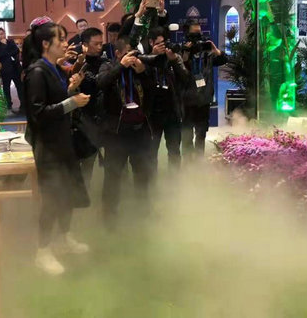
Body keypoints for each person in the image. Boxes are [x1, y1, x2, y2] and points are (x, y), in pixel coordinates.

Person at [24, 18, 91, 275]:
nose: (66, 43)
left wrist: (70, 90)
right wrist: (72, 102)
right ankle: (42, 251)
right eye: (60, 39)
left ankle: (64, 239)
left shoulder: (53, 68)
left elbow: (55, 101)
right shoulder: (37, 72)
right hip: (48, 147)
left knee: (67, 194)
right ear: (45, 44)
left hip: (63, 142)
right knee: (52, 199)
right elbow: (38, 114)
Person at [97, 35, 154, 229]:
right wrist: (121, 66)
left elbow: (153, 92)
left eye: (134, 53)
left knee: (142, 174)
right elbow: (101, 83)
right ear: (118, 53)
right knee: (113, 176)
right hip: (116, 133)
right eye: (128, 53)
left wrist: (143, 73)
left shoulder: (139, 67)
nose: (132, 57)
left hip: (140, 130)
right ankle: (109, 217)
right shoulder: (108, 66)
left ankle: (143, 214)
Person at [181, 19, 228, 160]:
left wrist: (216, 51)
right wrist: (185, 56)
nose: (198, 37)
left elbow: (224, 60)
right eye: (194, 34)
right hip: (187, 100)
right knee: (187, 136)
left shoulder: (207, 52)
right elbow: (177, 71)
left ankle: (199, 164)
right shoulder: (182, 52)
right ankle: (188, 164)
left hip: (204, 99)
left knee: (201, 135)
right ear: (187, 35)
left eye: (199, 33)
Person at [146, 27, 190, 170]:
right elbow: (143, 78)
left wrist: (174, 61)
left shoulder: (174, 57)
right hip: (153, 113)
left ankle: (174, 179)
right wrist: (153, 56)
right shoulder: (146, 58)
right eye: (159, 44)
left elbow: (186, 79)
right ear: (151, 42)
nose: (163, 47)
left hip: (172, 111)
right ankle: (151, 180)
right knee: (151, 152)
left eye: (164, 43)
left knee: (174, 150)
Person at [72, 27, 106, 184]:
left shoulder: (105, 63)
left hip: (99, 118)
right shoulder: (77, 64)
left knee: (93, 163)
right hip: (80, 120)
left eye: (101, 43)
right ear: (85, 45)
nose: (99, 47)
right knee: (79, 164)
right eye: (96, 44)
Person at [0, 27, 23, 112]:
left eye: (2, 34)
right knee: (6, 88)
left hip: (15, 68)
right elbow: (0, 55)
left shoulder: (11, 42)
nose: (1, 36)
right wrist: (4, 47)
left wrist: (6, 50)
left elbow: (16, 51)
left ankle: (23, 103)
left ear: (5, 33)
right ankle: (9, 104)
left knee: (19, 86)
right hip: (5, 70)